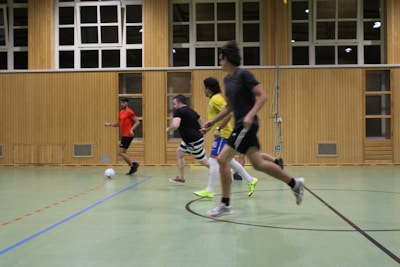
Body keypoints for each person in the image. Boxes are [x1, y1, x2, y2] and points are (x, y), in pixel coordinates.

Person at [202, 40, 305, 217]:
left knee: (221, 159)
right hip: (240, 124)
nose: (219, 62)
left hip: (246, 124)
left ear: (226, 58)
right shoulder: (227, 80)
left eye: (220, 58)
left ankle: (225, 204)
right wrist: (213, 123)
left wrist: (250, 114)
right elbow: (228, 107)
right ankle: (294, 183)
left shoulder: (244, 75)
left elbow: (263, 96)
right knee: (258, 164)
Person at [194, 77, 258, 199]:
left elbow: (230, 113)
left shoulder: (216, 99)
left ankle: (210, 190)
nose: (203, 90)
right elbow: (217, 118)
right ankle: (251, 180)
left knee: (213, 160)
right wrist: (208, 129)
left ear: (208, 88)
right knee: (230, 161)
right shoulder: (214, 99)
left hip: (224, 134)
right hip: (224, 133)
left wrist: (219, 129)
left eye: (204, 88)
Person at [166, 94, 209, 183]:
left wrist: (168, 128)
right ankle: (181, 177)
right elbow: (200, 119)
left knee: (204, 162)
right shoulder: (191, 110)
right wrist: (203, 129)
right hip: (189, 141)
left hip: (193, 142)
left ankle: (225, 171)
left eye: (174, 104)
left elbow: (175, 125)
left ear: (179, 103)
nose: (174, 106)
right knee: (179, 153)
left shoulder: (179, 111)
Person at [105, 98, 140, 175]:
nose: (121, 104)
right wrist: (109, 124)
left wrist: (131, 129)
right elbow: (118, 124)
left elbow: (137, 122)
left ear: (126, 103)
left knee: (120, 152)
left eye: (123, 103)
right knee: (123, 152)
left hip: (128, 135)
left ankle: (133, 164)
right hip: (124, 135)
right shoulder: (121, 112)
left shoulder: (129, 111)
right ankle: (132, 167)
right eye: (121, 103)